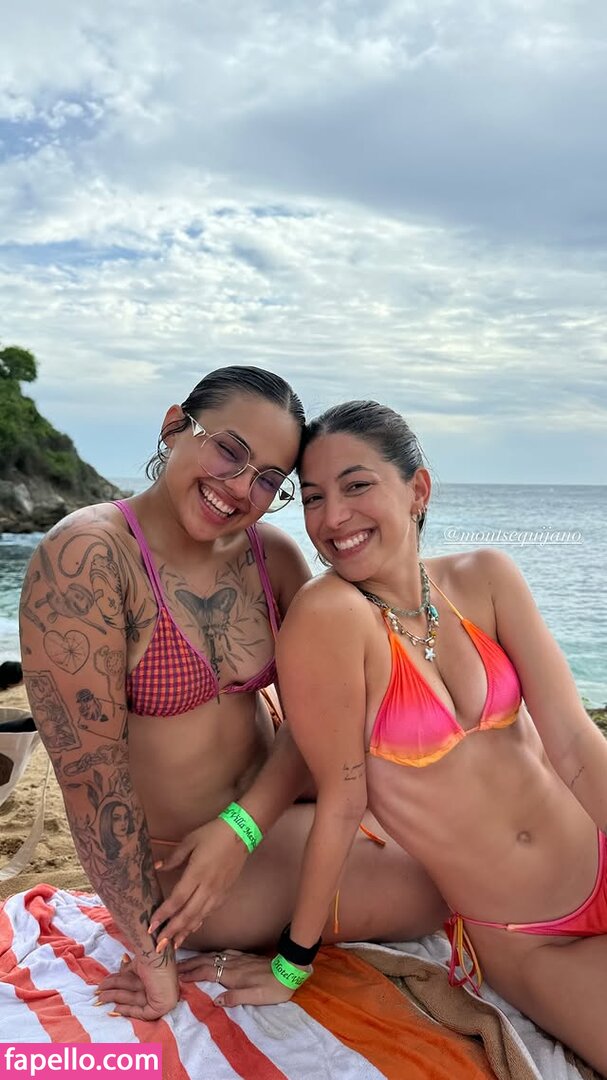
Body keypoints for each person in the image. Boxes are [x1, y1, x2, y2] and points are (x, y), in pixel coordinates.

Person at [19, 375, 446, 1022]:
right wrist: (154, 963)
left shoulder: (270, 555)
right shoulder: (89, 558)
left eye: (270, 479)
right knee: (448, 879)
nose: (242, 488)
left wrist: (244, 824)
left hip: (264, 822)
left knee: (473, 817)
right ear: (174, 427)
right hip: (189, 870)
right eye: (228, 451)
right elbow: (92, 787)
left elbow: (316, 718)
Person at [198, 400, 607, 1074]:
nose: (333, 518)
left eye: (356, 486)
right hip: (528, 937)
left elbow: (573, 743)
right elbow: (343, 805)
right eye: (314, 497)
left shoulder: (485, 577)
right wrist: (292, 963)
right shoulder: (329, 616)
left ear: (417, 489)